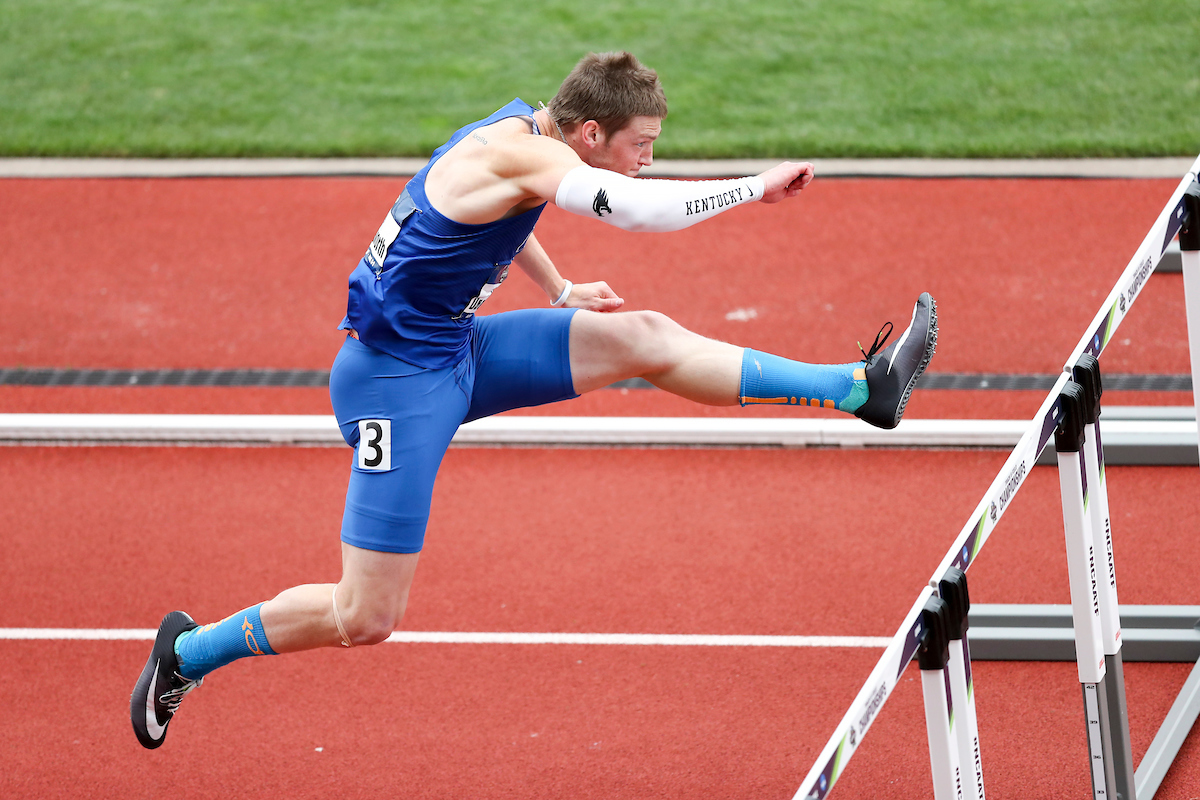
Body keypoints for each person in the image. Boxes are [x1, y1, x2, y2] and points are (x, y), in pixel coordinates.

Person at [132, 51, 936, 749]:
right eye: (642, 146)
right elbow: (644, 214)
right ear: (591, 135)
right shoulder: (525, 155)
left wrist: (558, 287)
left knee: (643, 337)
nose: (648, 161)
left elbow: (507, 216)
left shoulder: (526, 134)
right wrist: (754, 185)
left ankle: (861, 389)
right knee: (365, 615)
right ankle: (189, 653)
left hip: (457, 349)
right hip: (391, 386)